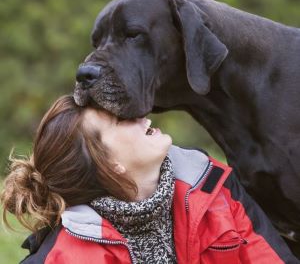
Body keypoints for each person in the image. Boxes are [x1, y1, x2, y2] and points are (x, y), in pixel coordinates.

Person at [1, 95, 298, 264]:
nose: (142, 114)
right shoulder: (61, 258)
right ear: (109, 163)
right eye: (122, 120)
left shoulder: (214, 186)